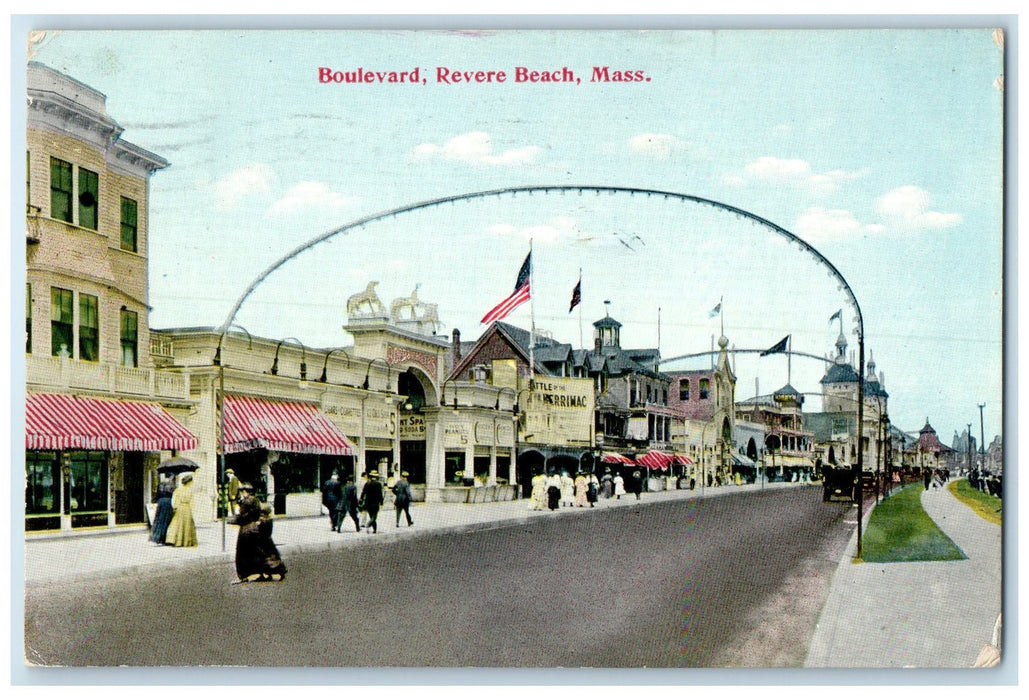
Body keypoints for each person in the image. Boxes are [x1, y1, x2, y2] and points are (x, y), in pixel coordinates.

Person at [165, 472, 198, 547]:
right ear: (189, 482)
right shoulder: (190, 491)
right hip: (187, 508)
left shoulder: (178, 490)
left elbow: (174, 500)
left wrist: (175, 507)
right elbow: (192, 502)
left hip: (179, 507)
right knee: (187, 525)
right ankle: (185, 541)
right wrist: (192, 509)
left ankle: (176, 540)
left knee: (177, 523)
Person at [149, 472, 175, 544]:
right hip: (167, 502)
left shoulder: (161, 484)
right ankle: (163, 538)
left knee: (159, 519)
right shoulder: (171, 484)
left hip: (161, 501)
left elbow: (158, 493)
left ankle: (157, 537)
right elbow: (172, 493)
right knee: (166, 520)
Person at [361, 469, 385, 534]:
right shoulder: (378, 484)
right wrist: (382, 502)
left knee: (372, 516)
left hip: (368, 503)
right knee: (374, 517)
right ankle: (368, 525)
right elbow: (380, 494)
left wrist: (361, 500)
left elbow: (363, 493)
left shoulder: (367, 484)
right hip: (375, 503)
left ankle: (375, 530)